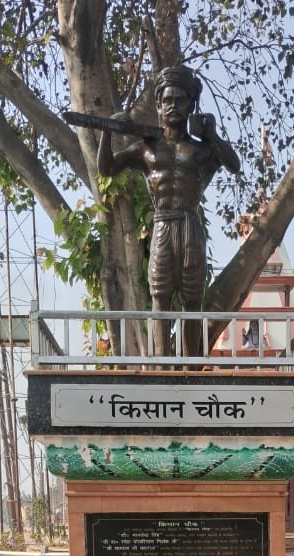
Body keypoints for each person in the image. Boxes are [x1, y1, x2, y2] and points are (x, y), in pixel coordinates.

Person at [97, 65, 240, 356]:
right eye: (167, 100)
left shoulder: (202, 150)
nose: (173, 106)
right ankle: (161, 365)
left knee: (192, 299)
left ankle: (191, 366)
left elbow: (234, 165)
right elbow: (108, 168)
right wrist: (107, 132)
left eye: (180, 100)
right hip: (162, 224)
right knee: (159, 297)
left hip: (189, 226)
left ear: (190, 106)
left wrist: (212, 135)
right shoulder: (146, 149)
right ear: (159, 106)